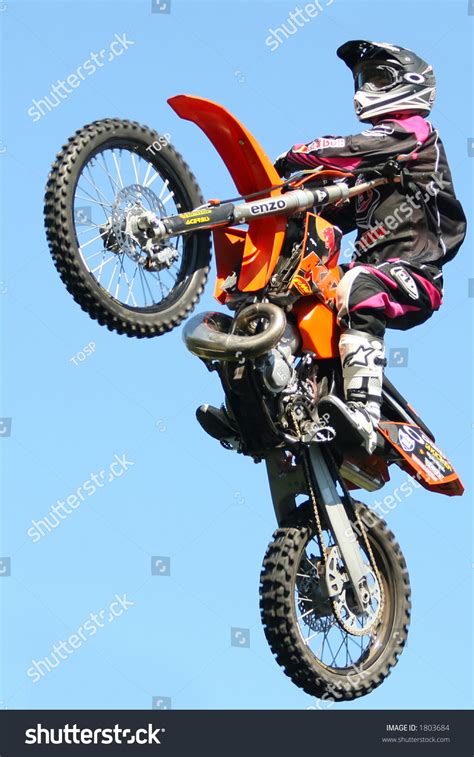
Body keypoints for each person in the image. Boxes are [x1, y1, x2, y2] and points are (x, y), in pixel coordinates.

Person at [197, 40, 466, 454]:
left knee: (358, 285)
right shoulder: (371, 178)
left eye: (376, 78)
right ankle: (255, 405)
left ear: (410, 84)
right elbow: (325, 216)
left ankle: (364, 415)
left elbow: (356, 149)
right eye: (361, 79)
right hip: (366, 276)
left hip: (416, 275)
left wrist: (300, 154)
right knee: (294, 299)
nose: (363, 90)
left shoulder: (415, 133)